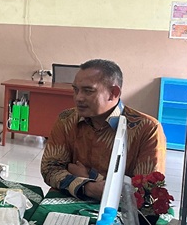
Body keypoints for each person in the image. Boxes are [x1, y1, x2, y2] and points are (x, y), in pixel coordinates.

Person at [40, 58, 167, 201]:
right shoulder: (66, 119)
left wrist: (89, 176)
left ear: (113, 93)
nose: (78, 98)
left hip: (119, 212)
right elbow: (49, 168)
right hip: (68, 200)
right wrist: (87, 187)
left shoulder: (147, 129)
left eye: (88, 91)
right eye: (75, 90)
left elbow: (148, 191)